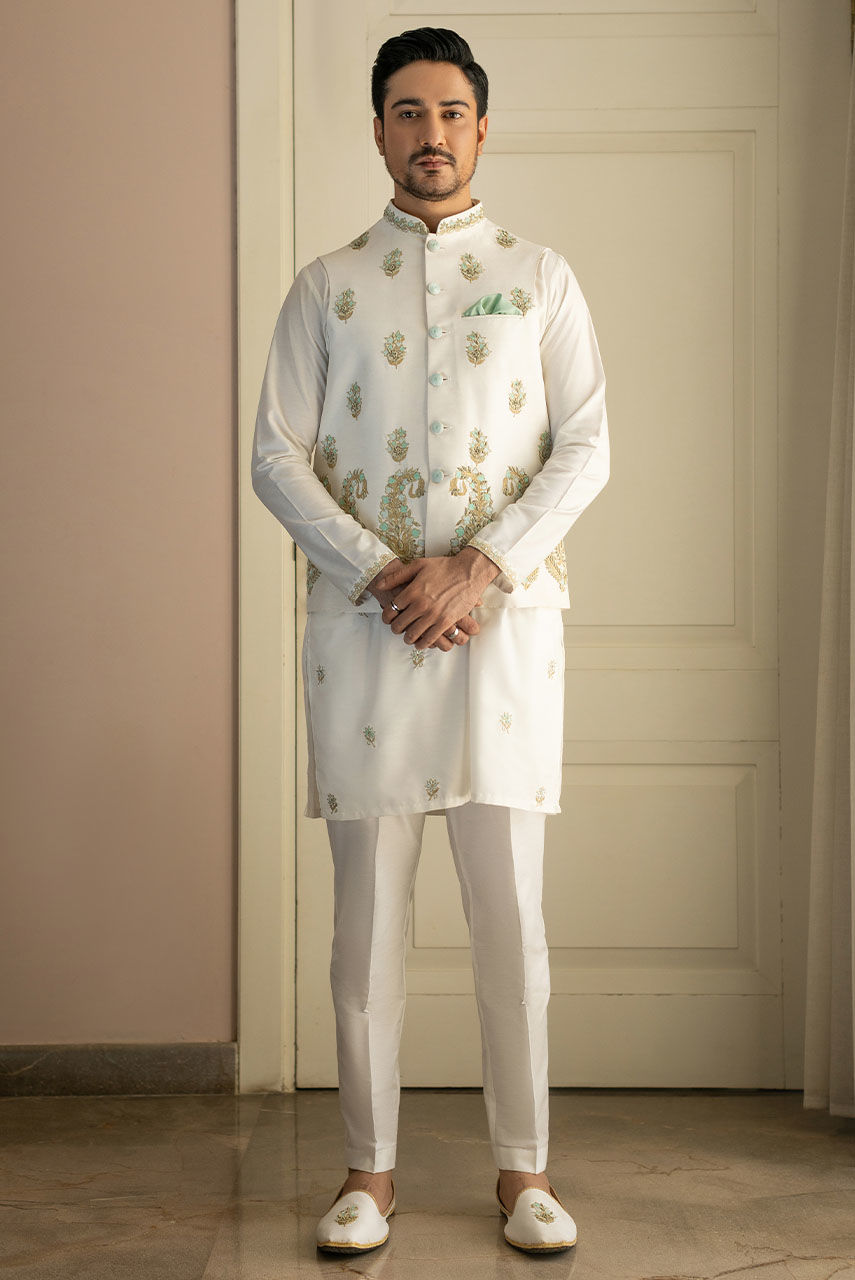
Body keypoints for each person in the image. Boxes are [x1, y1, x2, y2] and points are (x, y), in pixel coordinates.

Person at [251, 26, 609, 1256]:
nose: (431, 134)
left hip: (503, 639)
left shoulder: (540, 277)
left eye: (451, 112)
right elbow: (274, 455)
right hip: (368, 636)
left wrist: (479, 567)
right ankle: (369, 1173)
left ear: (482, 128)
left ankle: (525, 1173)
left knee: (512, 919)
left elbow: (587, 445)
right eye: (408, 112)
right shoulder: (326, 287)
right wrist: (380, 570)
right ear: (378, 131)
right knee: (364, 928)